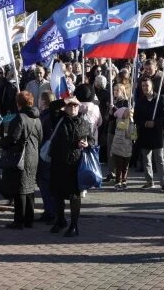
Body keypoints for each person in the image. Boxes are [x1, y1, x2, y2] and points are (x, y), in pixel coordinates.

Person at [49, 96, 94, 237]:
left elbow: (91, 139)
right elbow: (52, 106)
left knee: (74, 196)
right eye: (70, 106)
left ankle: (74, 225)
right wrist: (65, 101)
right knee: (57, 193)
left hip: (75, 164)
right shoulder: (59, 118)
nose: (73, 108)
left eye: (75, 106)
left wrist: (88, 144)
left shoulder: (85, 122)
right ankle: (60, 219)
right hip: (58, 161)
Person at [0, 91, 42, 229]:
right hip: (34, 156)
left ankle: (19, 220)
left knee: (19, 189)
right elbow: (40, 137)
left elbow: (13, 138)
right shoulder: (37, 119)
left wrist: (2, 142)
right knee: (29, 188)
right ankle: (29, 219)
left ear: (18, 104)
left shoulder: (20, 118)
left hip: (21, 156)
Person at [134, 78, 164, 193]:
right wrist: (145, 123)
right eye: (143, 86)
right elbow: (136, 118)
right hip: (144, 133)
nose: (145, 88)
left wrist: (155, 122)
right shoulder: (140, 101)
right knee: (146, 159)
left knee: (159, 159)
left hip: (157, 133)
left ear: (152, 86)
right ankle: (149, 181)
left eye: (147, 85)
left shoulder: (160, 99)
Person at [36, 91, 56, 223]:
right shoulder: (48, 115)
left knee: (45, 183)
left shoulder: (47, 117)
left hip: (45, 154)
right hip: (47, 154)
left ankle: (50, 212)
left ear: (43, 101)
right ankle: (48, 210)